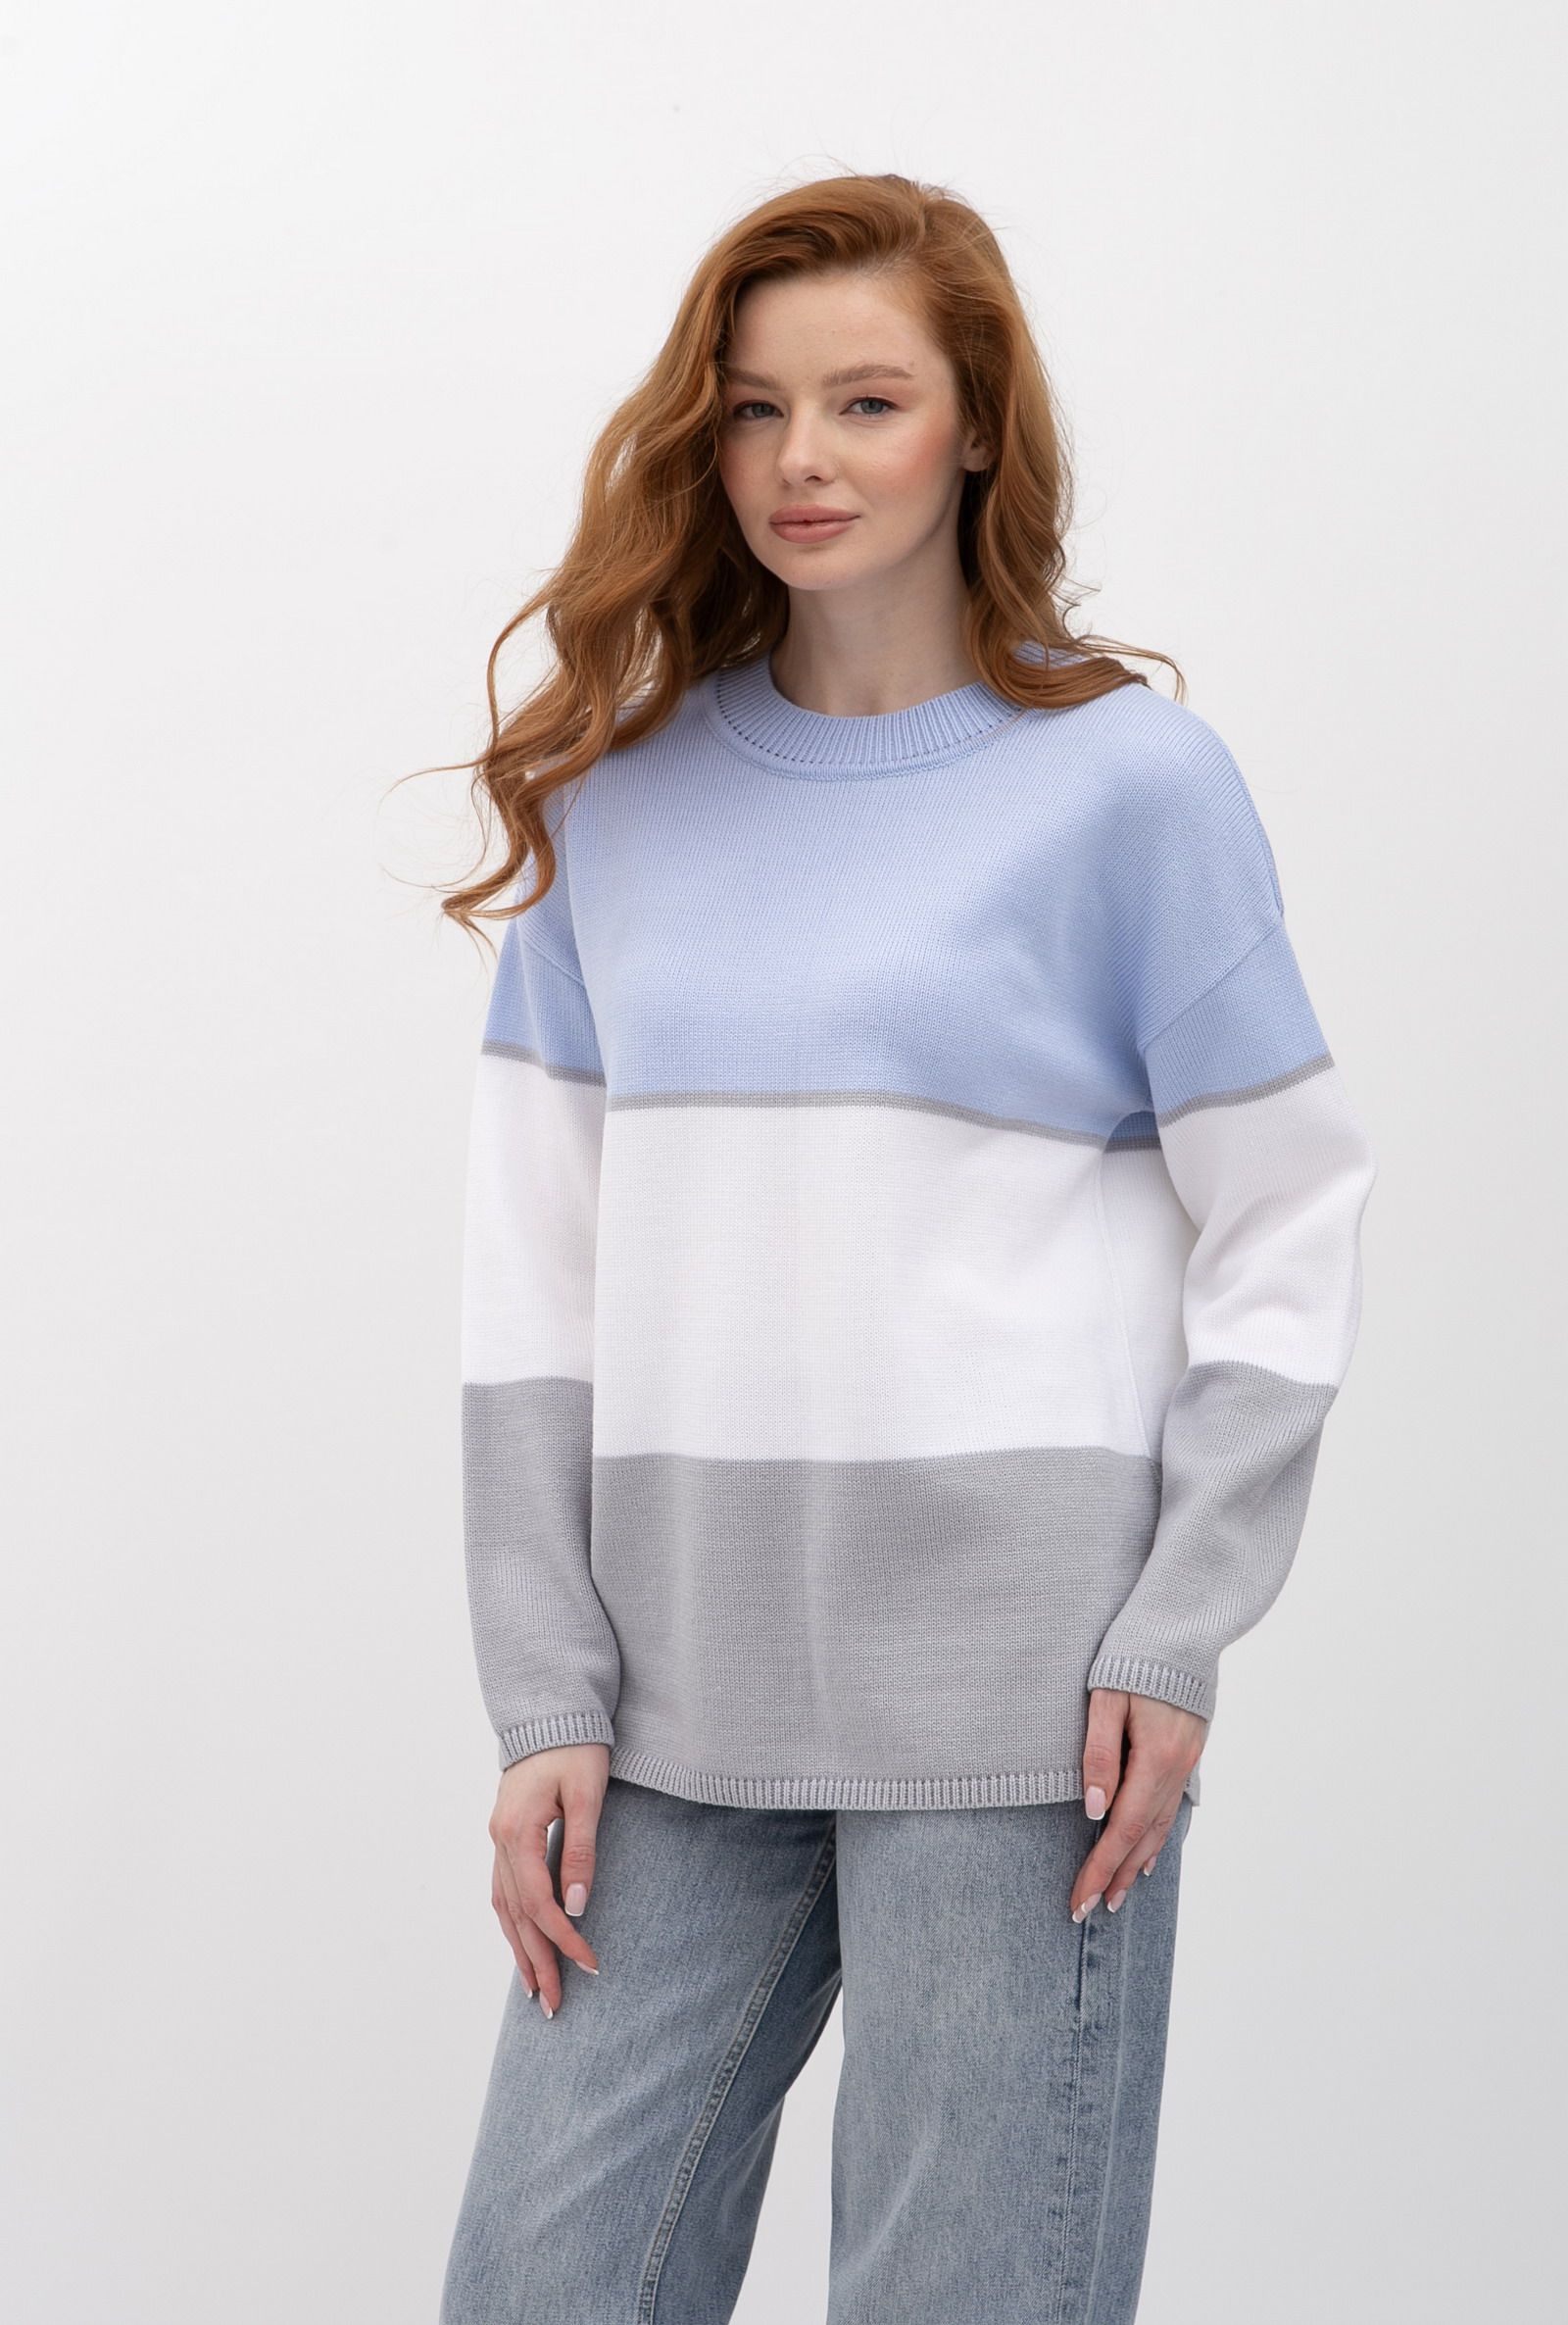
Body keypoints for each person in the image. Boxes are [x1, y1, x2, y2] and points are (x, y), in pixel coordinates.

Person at [433, 171, 1377, 2323]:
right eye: (756, 409)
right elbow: (531, 1289)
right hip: (669, 1711)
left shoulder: (1130, 789)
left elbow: (1289, 1207)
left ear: (972, 429)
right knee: (540, 2278)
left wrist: (1174, 1630)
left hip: (1021, 1712)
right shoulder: (616, 801)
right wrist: (541, 1691)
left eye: (866, 401)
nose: (804, 458)